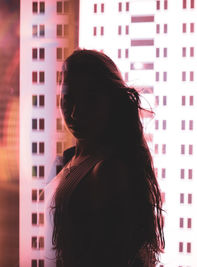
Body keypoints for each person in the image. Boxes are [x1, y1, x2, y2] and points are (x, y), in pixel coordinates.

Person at [44, 49, 164, 267]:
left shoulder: (107, 170)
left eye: (90, 99)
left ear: (111, 102)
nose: (74, 113)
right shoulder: (71, 160)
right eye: (68, 98)